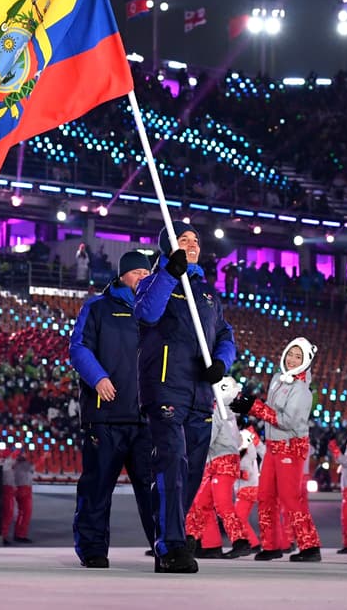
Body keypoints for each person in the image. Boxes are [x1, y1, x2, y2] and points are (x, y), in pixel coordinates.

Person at [135, 220, 236, 574]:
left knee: (190, 473)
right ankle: (172, 544)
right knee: (172, 463)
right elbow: (146, 314)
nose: (192, 244)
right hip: (164, 388)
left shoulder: (208, 294)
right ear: (168, 245)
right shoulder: (153, 282)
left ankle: (165, 534)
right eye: (183, 239)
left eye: (195, 240)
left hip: (200, 395)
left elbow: (225, 334)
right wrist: (168, 273)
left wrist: (221, 363)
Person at [69, 250, 158, 568]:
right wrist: (98, 378)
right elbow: (78, 347)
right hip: (105, 415)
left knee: (153, 490)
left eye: (148, 275)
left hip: (146, 417)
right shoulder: (98, 306)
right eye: (138, 274)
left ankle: (165, 546)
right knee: (97, 485)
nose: (143, 279)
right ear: (123, 275)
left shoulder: (155, 311)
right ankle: (92, 549)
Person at [231, 337, 322, 562]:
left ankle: (310, 547)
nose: (292, 359)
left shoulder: (302, 391)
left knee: (291, 499)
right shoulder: (277, 380)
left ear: (306, 361)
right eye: (290, 353)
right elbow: (271, 411)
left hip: (291, 448)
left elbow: (286, 421)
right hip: (274, 446)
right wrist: (255, 406)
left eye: (298, 357)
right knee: (265, 497)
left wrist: (254, 406)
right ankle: (271, 545)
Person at [184, 377, 251, 559]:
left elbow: (207, 438)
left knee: (221, 503)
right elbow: (237, 441)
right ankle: (200, 542)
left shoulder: (216, 412)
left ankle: (241, 541)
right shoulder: (228, 413)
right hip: (220, 461)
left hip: (222, 462)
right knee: (201, 503)